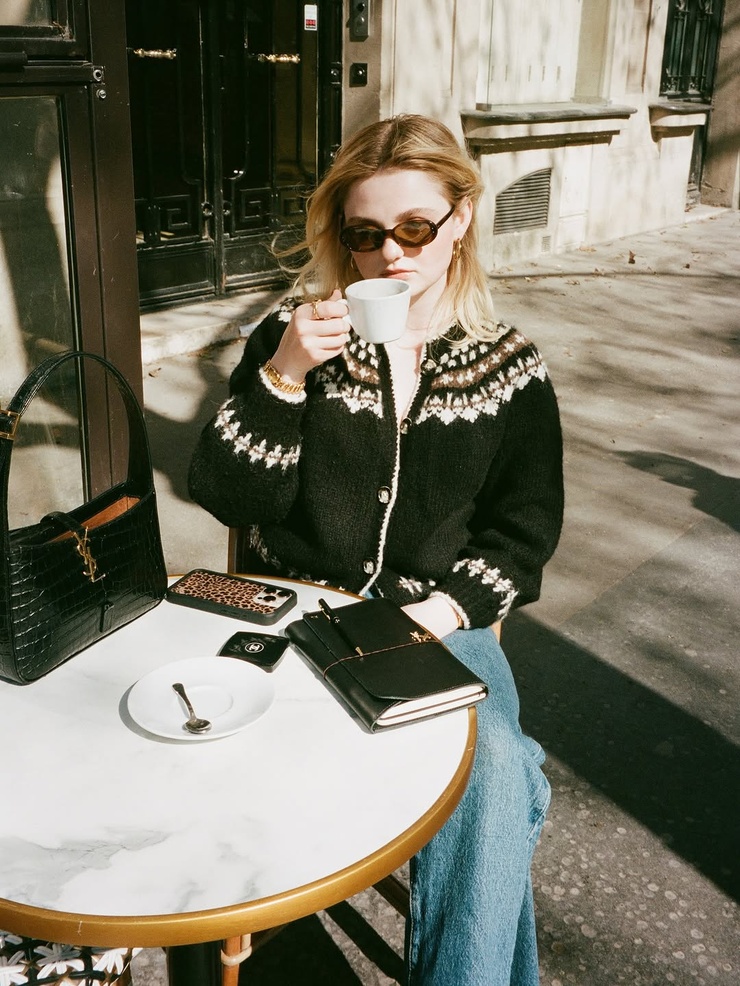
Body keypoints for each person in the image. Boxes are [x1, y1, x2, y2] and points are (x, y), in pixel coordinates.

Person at [188, 114, 564, 985]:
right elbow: (231, 497)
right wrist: (283, 375)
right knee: (512, 790)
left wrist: (438, 614)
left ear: (460, 220)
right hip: (299, 616)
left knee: (497, 771)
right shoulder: (293, 339)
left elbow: (523, 535)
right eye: (365, 235)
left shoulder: (508, 367)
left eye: (414, 227)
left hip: (442, 624)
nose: (390, 254)